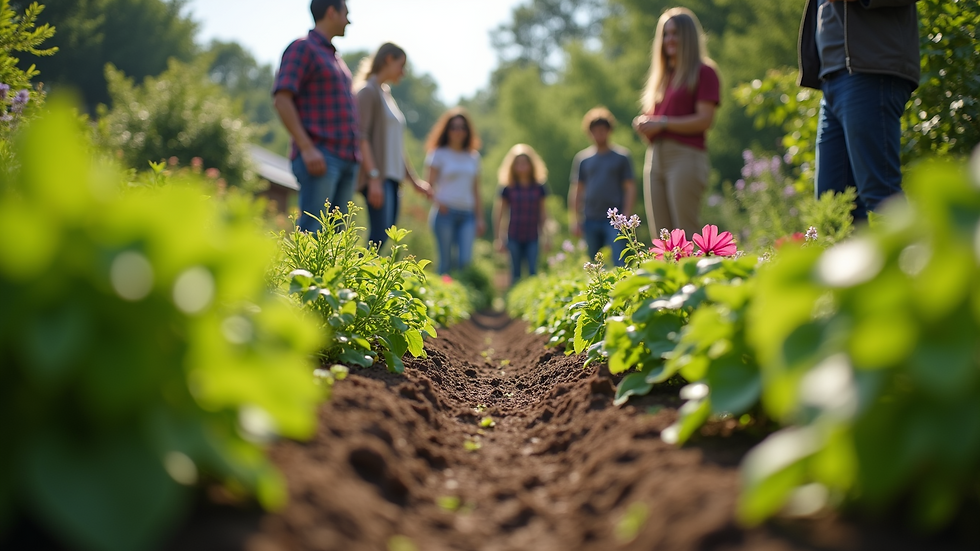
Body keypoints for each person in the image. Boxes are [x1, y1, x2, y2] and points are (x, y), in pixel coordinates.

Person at [799, 0, 920, 221]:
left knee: (881, 195)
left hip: (870, 71)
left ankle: (919, 254)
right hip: (832, 76)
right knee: (834, 206)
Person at [632, 7, 720, 239]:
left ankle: (698, 275)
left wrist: (661, 123)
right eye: (665, 34)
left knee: (686, 233)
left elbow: (704, 120)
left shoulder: (704, 72)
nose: (669, 39)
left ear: (688, 37)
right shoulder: (661, 78)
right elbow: (656, 127)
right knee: (661, 238)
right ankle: (667, 277)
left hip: (685, 156)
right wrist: (645, 126)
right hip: (654, 159)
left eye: (675, 33)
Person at [273, 0, 359, 232]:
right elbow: (282, 99)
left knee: (337, 240)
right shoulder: (303, 48)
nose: (349, 21)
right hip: (320, 156)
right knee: (313, 231)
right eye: (346, 14)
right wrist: (307, 147)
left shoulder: (337, 59)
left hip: (346, 159)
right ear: (331, 13)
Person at [354, 43, 431, 246]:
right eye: (401, 65)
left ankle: (365, 276)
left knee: (384, 238)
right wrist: (373, 178)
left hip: (392, 179)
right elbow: (361, 137)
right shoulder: (368, 92)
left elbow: (396, 147)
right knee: (378, 237)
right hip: (379, 177)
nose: (403, 72)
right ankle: (356, 276)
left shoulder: (386, 94)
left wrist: (414, 182)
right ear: (388, 59)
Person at [569, 106, 636, 267]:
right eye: (595, 130)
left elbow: (630, 188)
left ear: (609, 131)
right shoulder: (583, 159)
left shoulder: (621, 157)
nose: (599, 134)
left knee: (620, 261)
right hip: (590, 217)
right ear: (589, 132)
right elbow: (577, 190)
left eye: (603, 130)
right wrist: (575, 219)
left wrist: (626, 216)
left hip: (615, 220)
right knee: (595, 264)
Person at [424, 108, 483, 275]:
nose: (458, 131)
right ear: (447, 130)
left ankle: (462, 296)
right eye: (454, 127)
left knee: (465, 261)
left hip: (468, 215)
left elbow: (476, 190)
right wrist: (438, 203)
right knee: (446, 262)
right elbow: (429, 185)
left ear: (467, 131)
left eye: (462, 127)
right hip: (445, 213)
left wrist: (480, 218)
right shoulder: (438, 154)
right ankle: (443, 298)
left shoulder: (473, 157)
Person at [493, 144, 548, 285]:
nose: (522, 166)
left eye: (525, 162)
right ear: (512, 166)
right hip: (513, 235)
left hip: (533, 235)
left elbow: (543, 214)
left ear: (531, 164)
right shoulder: (508, 188)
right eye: (518, 163)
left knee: (532, 272)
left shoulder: (539, 187)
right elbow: (500, 213)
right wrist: (499, 237)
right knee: (515, 273)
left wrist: (547, 236)